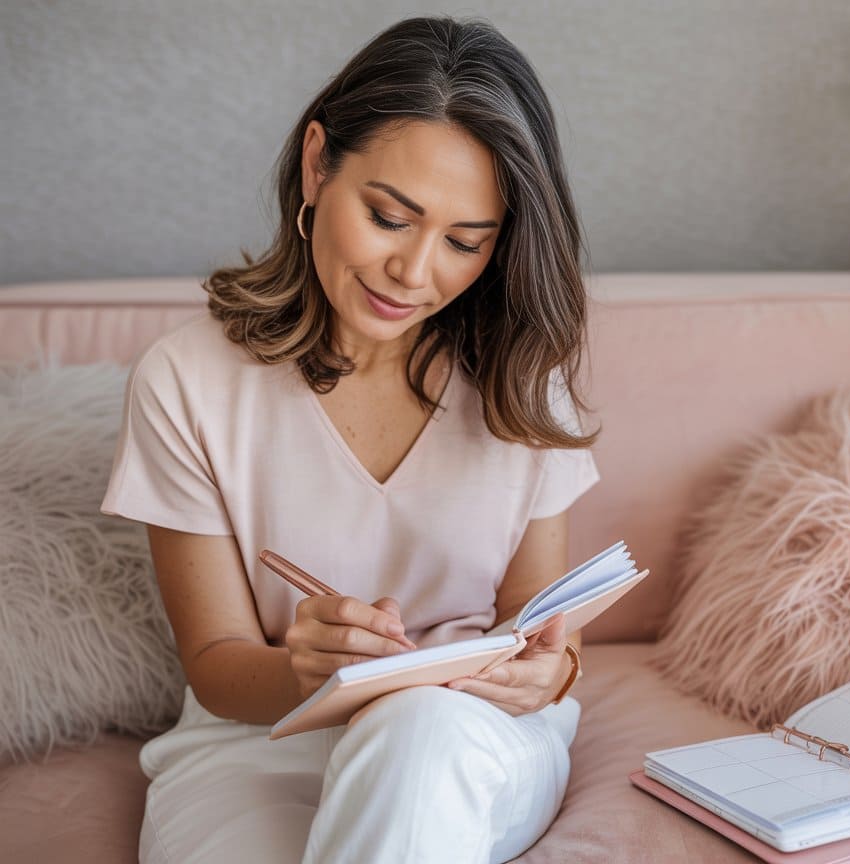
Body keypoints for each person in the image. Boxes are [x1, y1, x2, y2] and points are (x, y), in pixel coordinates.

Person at [100, 16, 599, 864]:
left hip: (466, 738)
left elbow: (545, 624)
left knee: (415, 729)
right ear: (316, 164)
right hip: (257, 743)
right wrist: (309, 667)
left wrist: (553, 672)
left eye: (465, 243)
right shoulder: (186, 381)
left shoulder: (519, 376)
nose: (415, 272)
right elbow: (217, 667)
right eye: (389, 217)